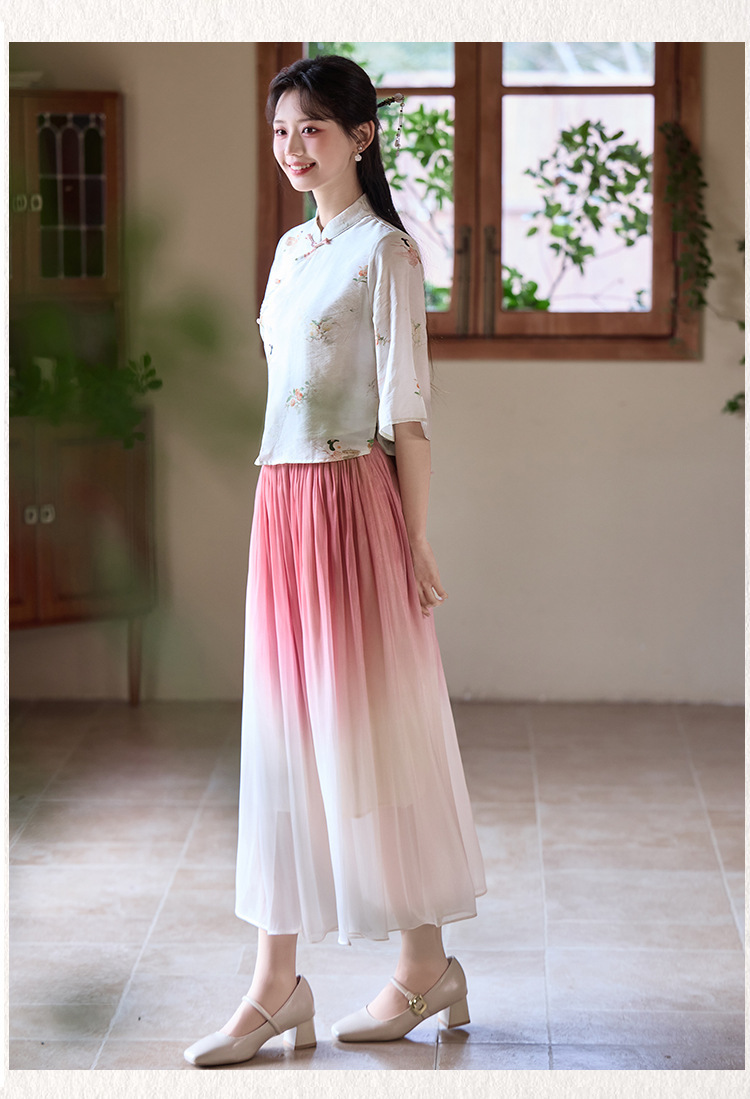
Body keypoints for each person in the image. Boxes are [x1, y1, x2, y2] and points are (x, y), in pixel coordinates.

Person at [184, 53, 486, 1068]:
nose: (292, 148)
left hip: (353, 507)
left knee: (370, 737)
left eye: (311, 128)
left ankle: (423, 964)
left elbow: (410, 414)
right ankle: (278, 982)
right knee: (282, 739)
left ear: (361, 136)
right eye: (280, 131)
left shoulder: (386, 254)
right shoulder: (289, 249)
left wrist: (414, 537)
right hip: (282, 503)